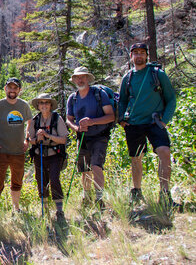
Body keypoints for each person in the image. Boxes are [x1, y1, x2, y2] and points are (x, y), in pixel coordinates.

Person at [118, 42, 177, 206]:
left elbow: (171, 98)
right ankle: (136, 192)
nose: (139, 56)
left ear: (146, 55)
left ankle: (165, 195)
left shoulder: (157, 74)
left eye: (142, 52)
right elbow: (122, 100)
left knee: (164, 152)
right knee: (136, 158)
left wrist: (165, 120)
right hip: (134, 123)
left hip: (154, 121)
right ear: (131, 56)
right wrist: (122, 119)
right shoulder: (128, 78)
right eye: (135, 53)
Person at [66, 67, 115, 209]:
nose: (80, 80)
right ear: (74, 80)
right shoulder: (73, 98)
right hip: (82, 137)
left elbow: (110, 116)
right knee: (84, 169)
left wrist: (92, 121)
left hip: (100, 136)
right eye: (77, 78)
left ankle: (99, 199)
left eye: (83, 77)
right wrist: (76, 128)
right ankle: (86, 197)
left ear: (88, 78)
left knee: (96, 166)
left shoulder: (99, 94)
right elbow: (69, 119)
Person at [0, 77, 32, 212]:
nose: (12, 90)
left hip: (19, 151)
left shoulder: (23, 106)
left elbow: (30, 122)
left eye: (15, 88)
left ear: (19, 90)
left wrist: (27, 139)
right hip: (1, 152)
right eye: (10, 87)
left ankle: (15, 209)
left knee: (17, 182)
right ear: (5, 89)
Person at [28, 93, 69, 220]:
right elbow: (30, 139)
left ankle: (59, 210)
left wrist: (48, 136)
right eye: (41, 103)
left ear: (51, 105)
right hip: (39, 155)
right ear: (38, 105)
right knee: (41, 181)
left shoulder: (57, 119)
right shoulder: (34, 120)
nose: (44, 105)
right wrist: (37, 139)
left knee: (54, 180)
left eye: (46, 103)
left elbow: (63, 140)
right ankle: (45, 210)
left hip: (54, 155)